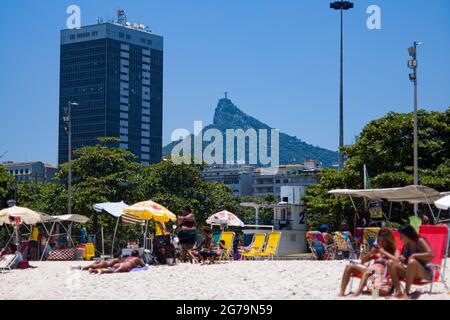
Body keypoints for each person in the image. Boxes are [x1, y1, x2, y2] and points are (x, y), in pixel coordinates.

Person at [339, 228, 399, 297]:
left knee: (370, 271)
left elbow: (397, 261)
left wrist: (384, 252)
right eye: (379, 241)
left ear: (388, 241)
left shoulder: (394, 251)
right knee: (349, 266)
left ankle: (357, 292)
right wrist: (371, 252)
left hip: (382, 272)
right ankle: (341, 292)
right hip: (370, 270)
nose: (380, 243)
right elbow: (363, 261)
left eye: (383, 241)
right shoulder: (376, 251)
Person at [386, 225, 434, 299]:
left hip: (424, 273)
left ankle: (406, 292)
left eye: (402, 236)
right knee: (390, 263)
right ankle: (399, 291)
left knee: (412, 262)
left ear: (408, 235)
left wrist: (415, 255)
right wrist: (402, 259)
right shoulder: (406, 246)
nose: (400, 238)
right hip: (411, 272)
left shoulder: (420, 241)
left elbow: (431, 255)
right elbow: (406, 263)